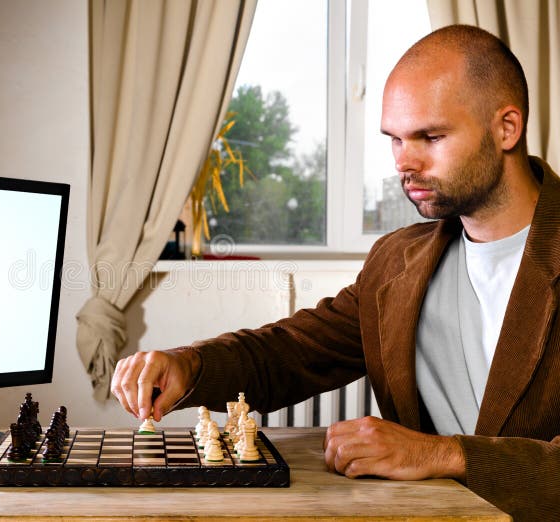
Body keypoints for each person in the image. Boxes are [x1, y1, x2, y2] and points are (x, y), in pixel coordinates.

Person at [110, 24, 560, 521]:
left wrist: (439, 453)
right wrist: (188, 365)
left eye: (431, 137)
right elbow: (289, 353)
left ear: (507, 128)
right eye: (394, 140)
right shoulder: (395, 262)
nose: (404, 163)